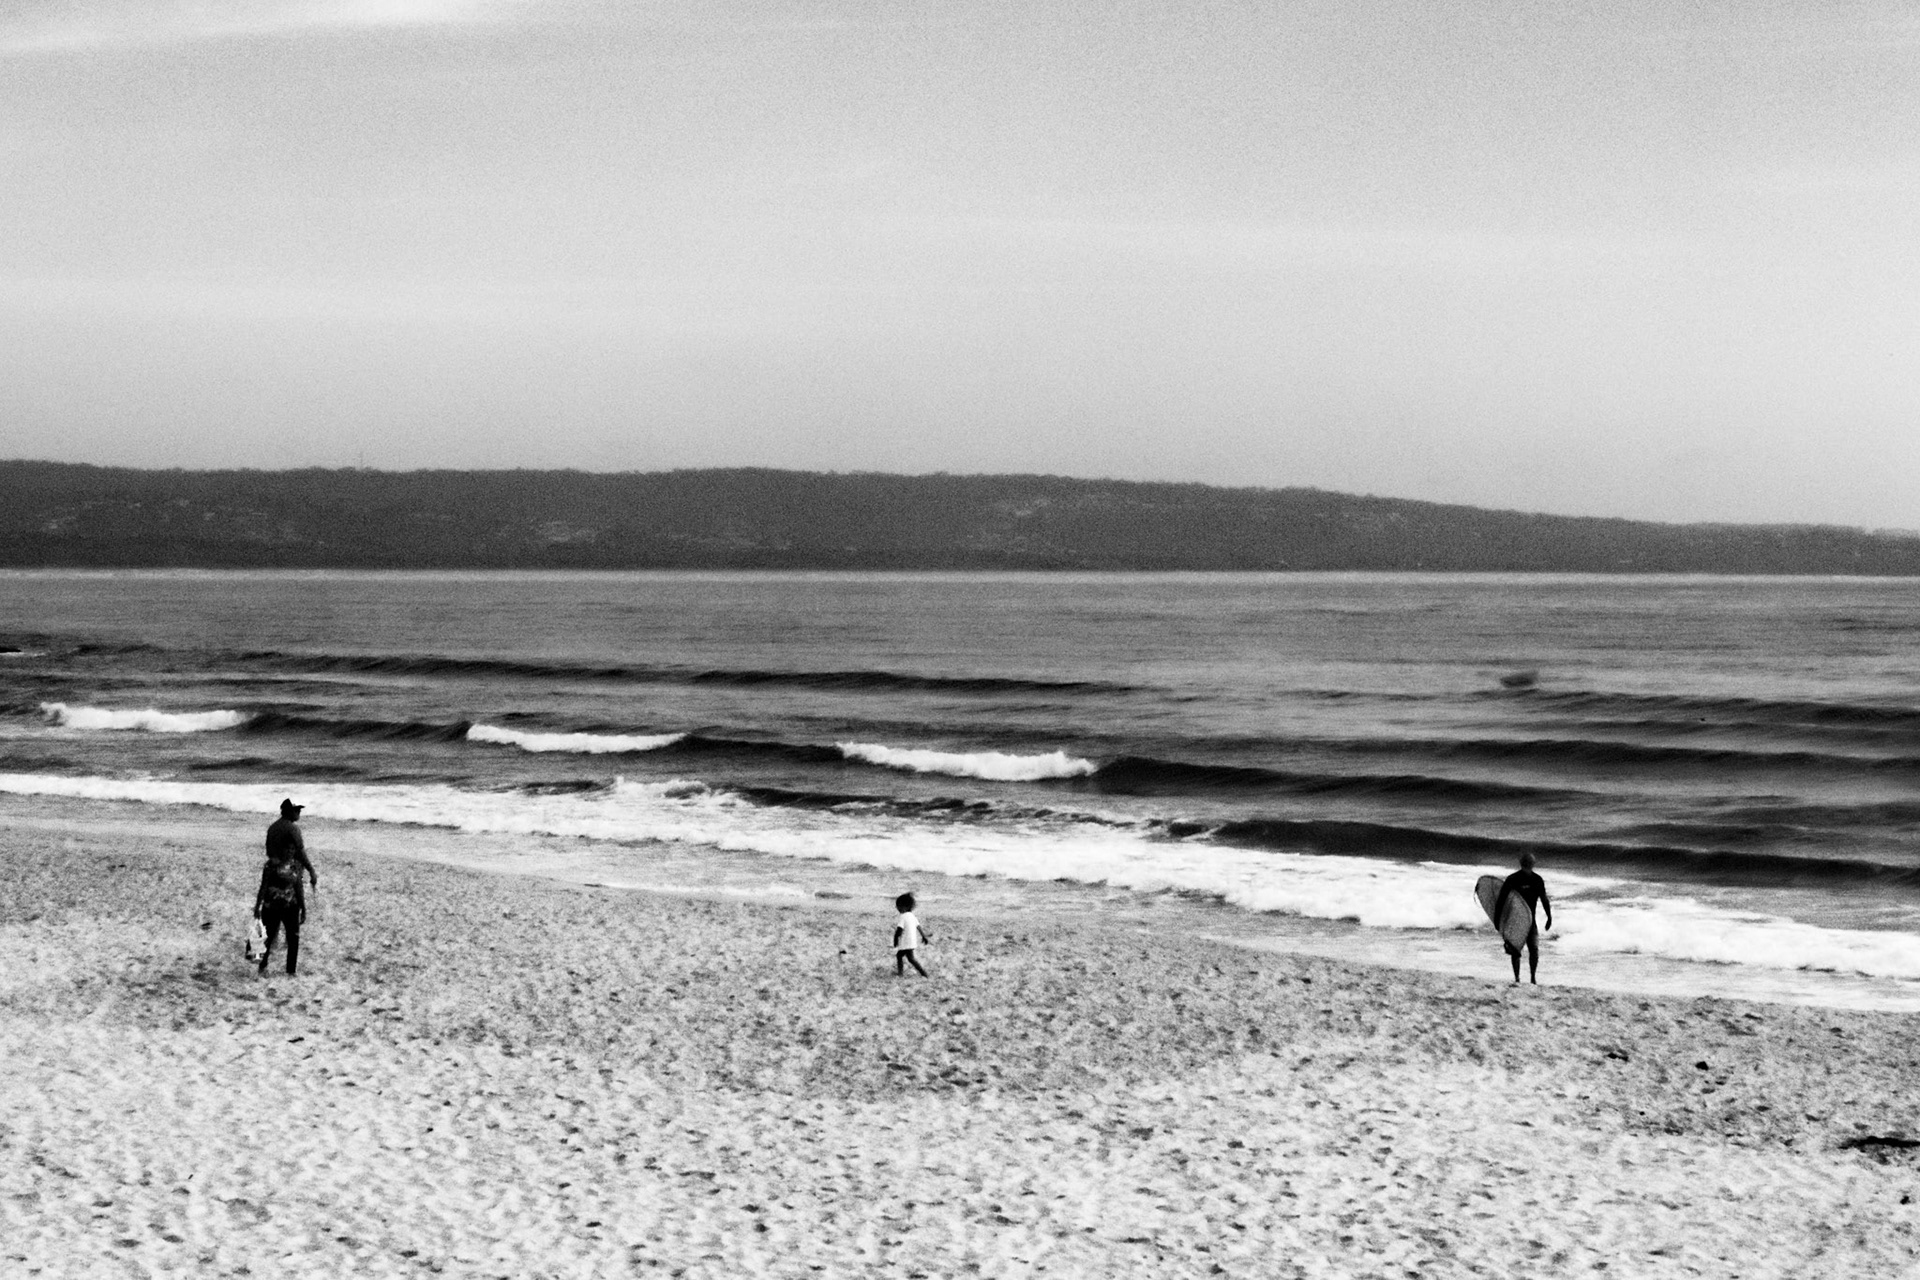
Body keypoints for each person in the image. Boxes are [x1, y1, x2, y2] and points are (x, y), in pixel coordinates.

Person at [255, 798, 318, 976]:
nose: (299, 813)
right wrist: (311, 870)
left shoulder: (272, 828)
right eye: (297, 810)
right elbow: (300, 852)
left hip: (273, 878)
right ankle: (288, 969)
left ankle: (264, 963)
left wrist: (258, 905)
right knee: (290, 932)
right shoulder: (293, 829)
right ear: (289, 811)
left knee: (269, 929)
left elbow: (268, 852)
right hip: (289, 876)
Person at [1494, 851, 1552, 985]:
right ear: (1531, 864)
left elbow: (1500, 901)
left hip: (1529, 921)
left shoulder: (1535, 880)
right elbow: (1501, 900)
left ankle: (1528, 978)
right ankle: (1523, 978)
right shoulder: (1514, 879)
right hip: (1517, 921)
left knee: (1530, 950)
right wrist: (1549, 917)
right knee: (1524, 950)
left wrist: (1497, 920)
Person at [892, 892, 931, 977]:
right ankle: (923, 973)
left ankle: (902, 973)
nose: (897, 908)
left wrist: (895, 939)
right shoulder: (912, 916)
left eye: (898, 906)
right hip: (912, 941)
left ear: (904, 906)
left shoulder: (903, 917)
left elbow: (899, 930)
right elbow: (918, 927)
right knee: (908, 958)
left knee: (904, 957)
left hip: (906, 942)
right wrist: (923, 936)